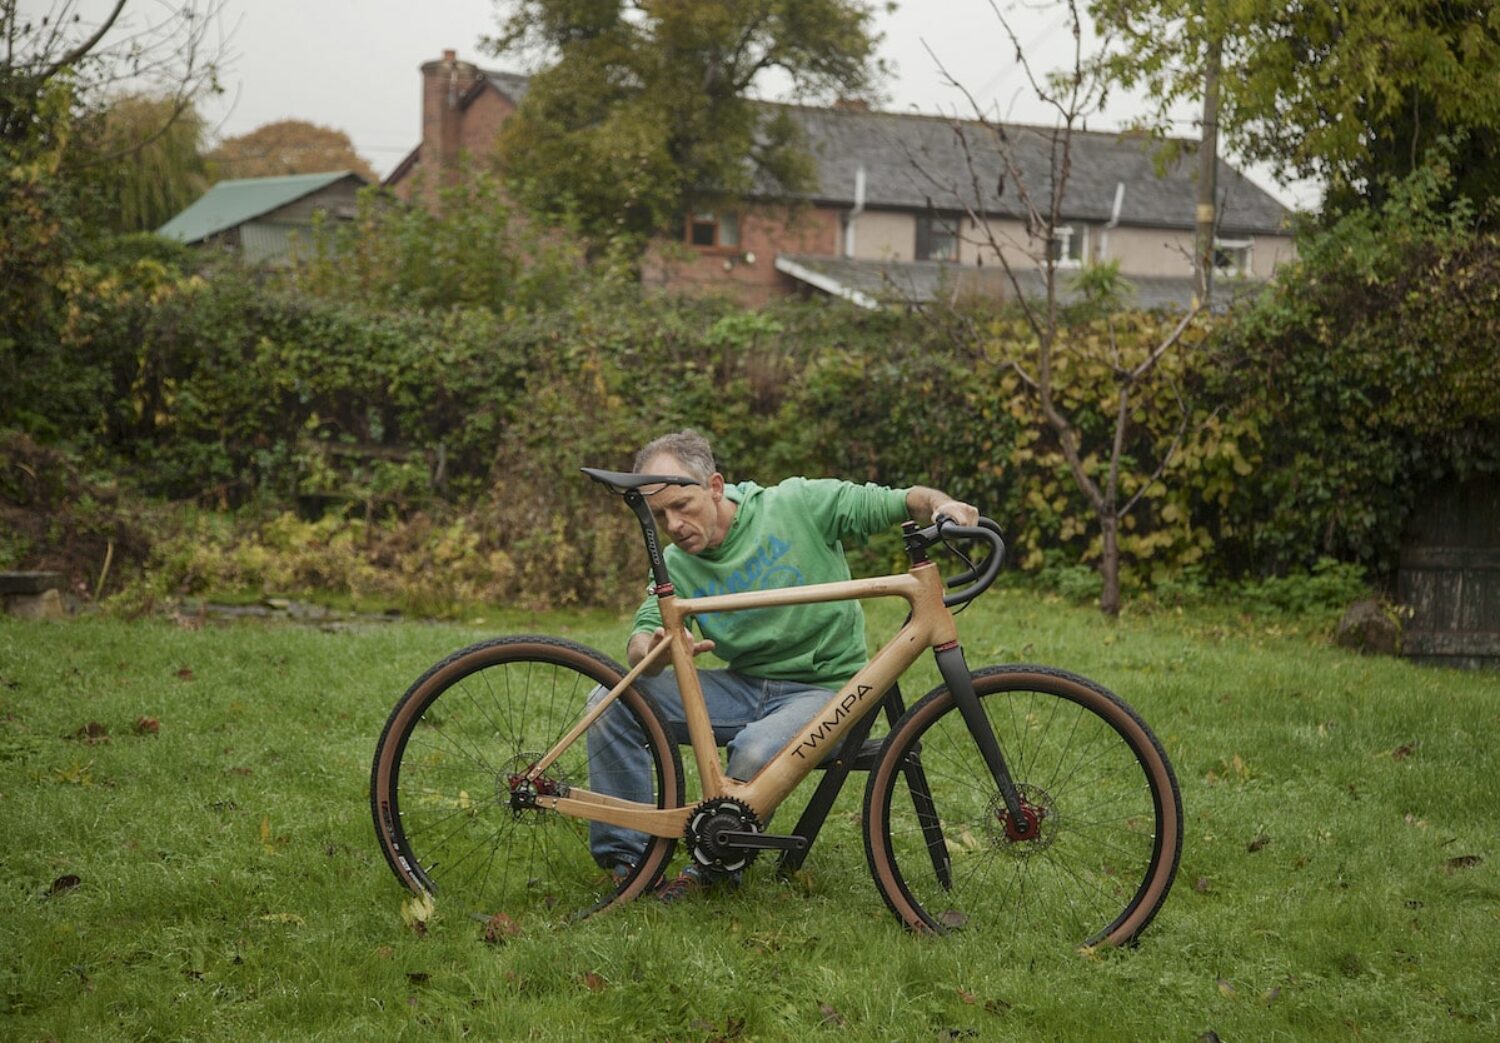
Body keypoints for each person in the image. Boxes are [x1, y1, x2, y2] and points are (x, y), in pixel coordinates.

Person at [586, 429, 978, 900]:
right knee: (609, 701)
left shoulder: (796, 504)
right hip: (743, 686)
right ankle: (630, 863)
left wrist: (943, 505)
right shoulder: (674, 562)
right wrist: (654, 648)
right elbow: (640, 641)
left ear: (714, 486)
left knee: (755, 752)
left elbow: (898, 501)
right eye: (659, 515)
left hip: (823, 690)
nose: (673, 524)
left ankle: (713, 865)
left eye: (681, 506)